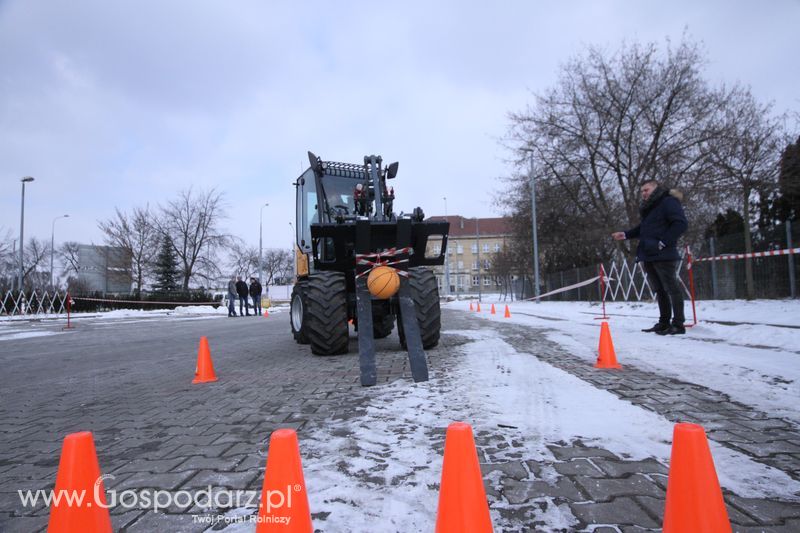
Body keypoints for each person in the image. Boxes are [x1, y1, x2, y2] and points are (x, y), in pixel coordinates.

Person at [612, 179, 688, 335]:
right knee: (660, 290)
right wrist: (626, 234)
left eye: (646, 190)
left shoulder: (668, 202)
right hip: (649, 254)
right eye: (642, 191)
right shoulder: (651, 208)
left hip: (663, 253)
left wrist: (663, 243)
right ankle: (663, 322)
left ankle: (678, 324)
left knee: (671, 288)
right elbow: (644, 229)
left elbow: (680, 224)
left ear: (655, 188)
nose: (643, 194)